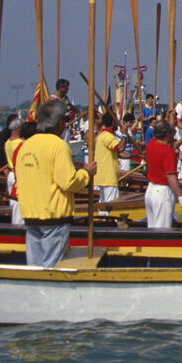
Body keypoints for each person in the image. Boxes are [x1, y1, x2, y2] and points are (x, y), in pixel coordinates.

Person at [15, 100, 97, 267]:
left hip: (31, 214)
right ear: (59, 123)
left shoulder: (25, 146)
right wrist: (86, 173)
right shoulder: (58, 146)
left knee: (35, 267)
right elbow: (68, 182)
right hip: (53, 216)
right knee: (50, 267)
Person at [144, 119, 182, 228]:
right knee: (162, 229)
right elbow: (170, 176)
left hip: (150, 190)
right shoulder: (168, 152)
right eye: (173, 132)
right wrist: (181, 195)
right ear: (167, 134)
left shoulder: (151, 144)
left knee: (152, 227)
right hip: (162, 192)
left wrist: (171, 118)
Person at [93, 111, 122, 205]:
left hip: (102, 177)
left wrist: (136, 155)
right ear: (113, 122)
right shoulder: (108, 136)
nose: (118, 124)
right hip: (109, 178)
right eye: (117, 121)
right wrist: (124, 134)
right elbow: (120, 148)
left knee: (103, 204)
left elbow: (118, 153)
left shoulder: (101, 136)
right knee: (111, 204)